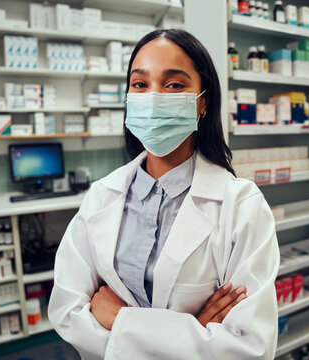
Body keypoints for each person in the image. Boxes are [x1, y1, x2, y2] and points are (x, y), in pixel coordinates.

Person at [48, 28, 279, 359]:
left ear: (203, 103)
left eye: (173, 85)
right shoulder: (102, 197)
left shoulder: (242, 206)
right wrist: (193, 330)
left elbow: (248, 347)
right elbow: (68, 312)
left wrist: (119, 319)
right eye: (140, 84)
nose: (153, 97)